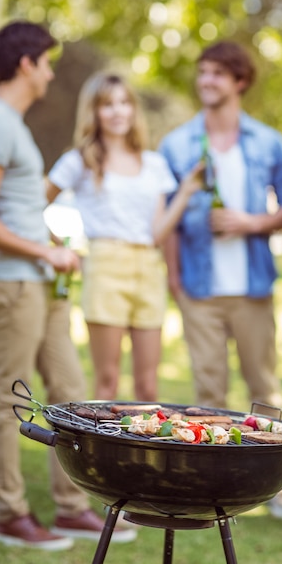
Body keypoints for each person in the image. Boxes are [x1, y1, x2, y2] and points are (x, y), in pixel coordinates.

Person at [0, 21, 137, 550]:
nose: (51, 71)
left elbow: (19, 210)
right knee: (11, 397)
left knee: (70, 395)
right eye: (47, 61)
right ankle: (11, 516)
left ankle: (72, 509)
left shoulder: (14, 125)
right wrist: (45, 250)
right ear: (27, 63)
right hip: (12, 283)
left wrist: (55, 244)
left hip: (40, 282)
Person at [159, 40, 282, 519]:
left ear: (240, 81)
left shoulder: (268, 142)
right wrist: (175, 280)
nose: (207, 81)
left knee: (265, 390)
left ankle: (275, 485)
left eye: (218, 73)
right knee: (207, 393)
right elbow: (169, 221)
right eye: (202, 72)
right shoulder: (177, 144)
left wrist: (252, 222)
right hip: (198, 289)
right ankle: (212, 486)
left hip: (254, 287)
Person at [47, 71, 201, 402]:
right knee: (108, 383)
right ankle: (102, 455)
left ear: (133, 109)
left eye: (124, 102)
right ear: (94, 111)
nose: (118, 111)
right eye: (107, 105)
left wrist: (186, 191)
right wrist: (60, 249)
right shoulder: (80, 161)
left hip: (148, 268)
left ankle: (141, 454)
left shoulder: (154, 164)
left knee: (148, 388)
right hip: (105, 267)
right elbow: (32, 205)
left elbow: (158, 233)